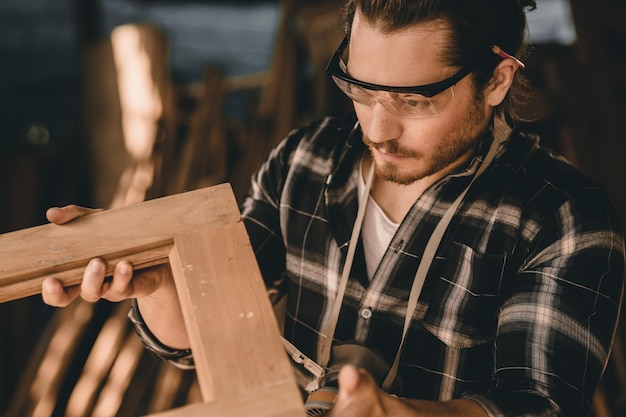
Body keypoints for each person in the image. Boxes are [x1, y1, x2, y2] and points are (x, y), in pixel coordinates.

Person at [43, 0, 625, 416]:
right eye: (362, 90)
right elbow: (206, 331)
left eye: (413, 101)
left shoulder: (564, 218)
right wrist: (157, 284)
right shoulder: (306, 159)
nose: (377, 128)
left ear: (496, 80)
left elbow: (538, 406)